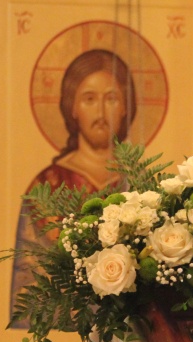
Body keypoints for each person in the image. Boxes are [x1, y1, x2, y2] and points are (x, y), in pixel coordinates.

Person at [9, 49, 136, 325]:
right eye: (89, 99)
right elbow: (30, 284)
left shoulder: (139, 183)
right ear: (73, 107)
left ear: (126, 106)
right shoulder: (47, 186)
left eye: (111, 98)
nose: (101, 112)